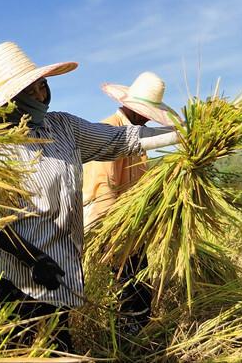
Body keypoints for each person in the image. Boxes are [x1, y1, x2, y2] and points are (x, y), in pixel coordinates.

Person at [0, 42, 178, 352]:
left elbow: (121, 138)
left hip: (61, 271)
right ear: (9, 100)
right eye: (31, 90)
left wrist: (182, 133)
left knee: (60, 348)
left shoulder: (65, 127)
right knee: (12, 351)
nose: (41, 96)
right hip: (16, 278)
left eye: (43, 86)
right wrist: (34, 260)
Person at [82, 71, 176, 333]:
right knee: (125, 291)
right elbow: (104, 190)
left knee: (140, 289)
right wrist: (112, 238)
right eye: (144, 111)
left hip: (131, 228)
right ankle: (125, 342)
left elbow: (139, 187)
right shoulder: (109, 131)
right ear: (131, 107)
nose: (147, 117)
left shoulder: (138, 138)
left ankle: (137, 338)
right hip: (110, 228)